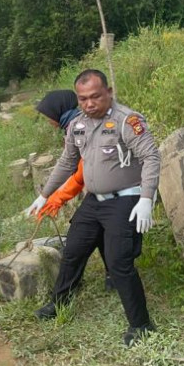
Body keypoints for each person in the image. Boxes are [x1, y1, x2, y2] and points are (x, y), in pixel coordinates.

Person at [26, 69, 161, 347]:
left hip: (125, 199)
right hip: (93, 201)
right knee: (73, 250)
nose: (89, 103)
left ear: (108, 92)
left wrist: (146, 198)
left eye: (95, 96)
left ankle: (141, 324)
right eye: (83, 98)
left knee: (119, 263)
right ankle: (58, 303)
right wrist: (45, 195)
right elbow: (67, 161)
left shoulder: (128, 121)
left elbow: (151, 157)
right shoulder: (78, 125)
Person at [36, 90, 112, 292]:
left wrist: (58, 197)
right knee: (100, 234)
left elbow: (81, 169)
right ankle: (111, 275)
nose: (47, 121)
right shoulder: (74, 126)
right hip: (98, 192)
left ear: (57, 111)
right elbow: (68, 163)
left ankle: (64, 294)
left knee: (77, 244)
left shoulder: (82, 126)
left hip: (110, 191)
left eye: (47, 116)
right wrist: (47, 195)